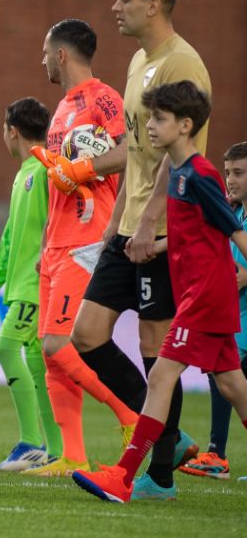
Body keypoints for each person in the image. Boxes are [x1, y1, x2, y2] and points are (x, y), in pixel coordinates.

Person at [70, 0, 211, 499]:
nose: (115, 7)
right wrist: (114, 216)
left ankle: (161, 473)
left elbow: (180, 153)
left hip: (163, 232)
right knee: (86, 335)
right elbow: (136, 147)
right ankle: (168, 439)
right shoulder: (136, 62)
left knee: (158, 351)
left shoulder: (183, 63)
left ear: (154, 5)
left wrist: (151, 221)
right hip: (128, 227)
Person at [73, 81, 247, 503]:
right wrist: (155, 244)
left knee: (161, 377)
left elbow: (235, 230)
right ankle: (137, 476)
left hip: (203, 296)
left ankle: (124, 476)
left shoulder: (199, 175)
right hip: (204, 293)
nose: (149, 126)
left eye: (159, 119)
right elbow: (202, 233)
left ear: (186, 125)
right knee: (234, 386)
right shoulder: (178, 173)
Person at [18, 19, 140, 478]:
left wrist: (83, 168)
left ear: (62, 54)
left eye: (46, 51)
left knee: (57, 342)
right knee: (47, 349)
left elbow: (131, 151)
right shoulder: (64, 108)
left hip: (87, 237)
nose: (42, 60)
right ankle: (71, 455)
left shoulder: (102, 97)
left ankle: (130, 415)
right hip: (57, 240)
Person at [0, 97, 60, 471]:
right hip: (23, 287)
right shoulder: (24, 175)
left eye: (4, 129)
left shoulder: (48, 173)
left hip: (38, 286)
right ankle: (56, 449)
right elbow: (10, 240)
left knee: (6, 349)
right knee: (37, 363)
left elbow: (61, 227)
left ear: (12, 131)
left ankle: (31, 442)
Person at [178, 141, 247, 480]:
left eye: (239, 173)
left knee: (226, 377)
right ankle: (216, 453)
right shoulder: (233, 212)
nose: (230, 180)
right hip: (232, 311)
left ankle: (217, 453)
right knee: (223, 376)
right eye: (228, 172)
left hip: (241, 312)